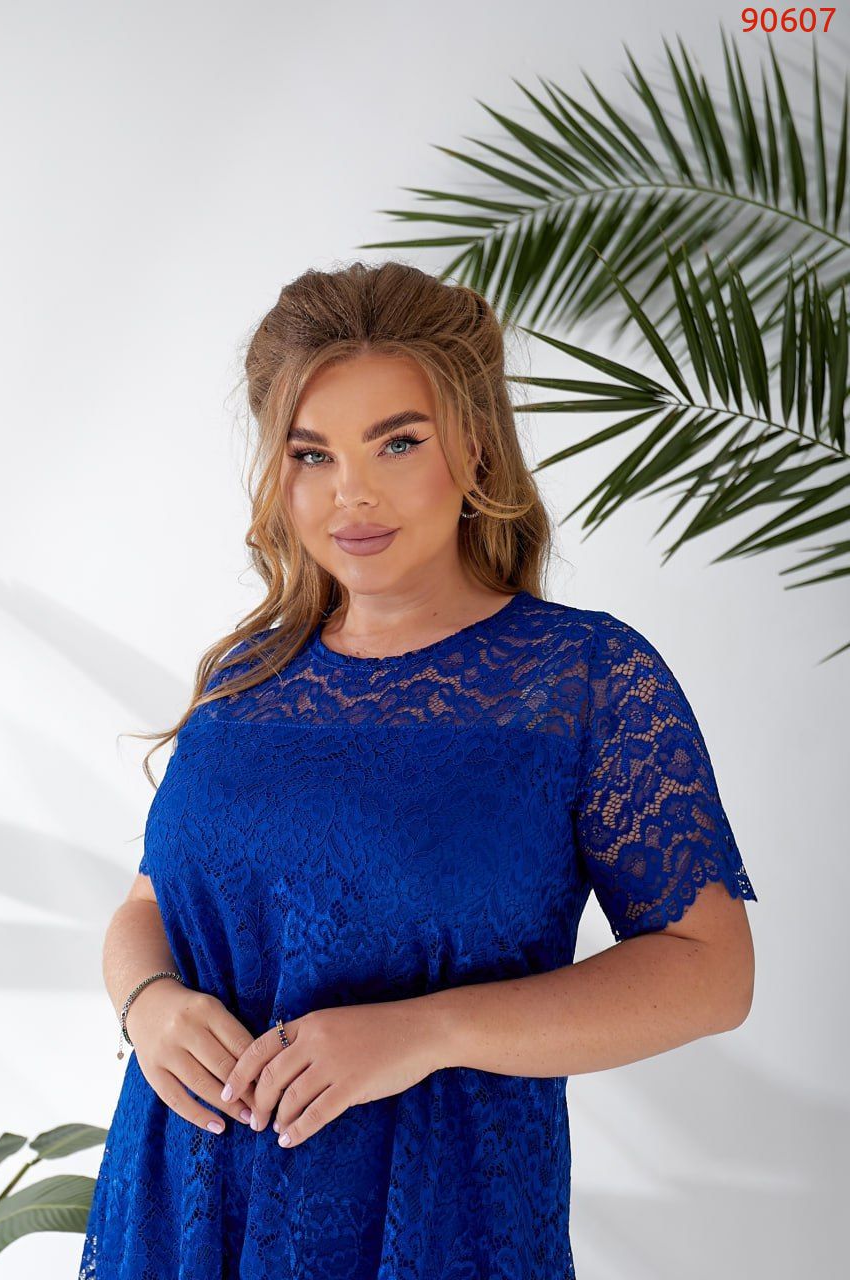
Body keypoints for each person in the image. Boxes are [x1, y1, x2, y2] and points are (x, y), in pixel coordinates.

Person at [78, 260, 757, 1280]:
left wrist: (423, 1032)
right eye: (311, 454)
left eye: (396, 442)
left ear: (473, 443)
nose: (350, 492)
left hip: (434, 1218)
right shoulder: (244, 676)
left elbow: (710, 970)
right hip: (183, 1206)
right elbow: (148, 903)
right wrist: (149, 1005)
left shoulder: (579, 678)